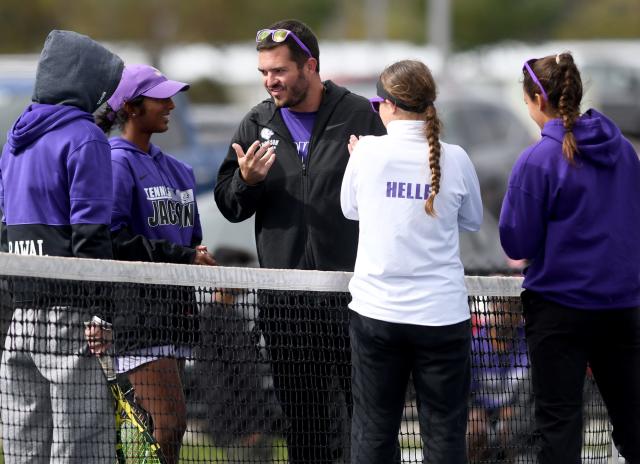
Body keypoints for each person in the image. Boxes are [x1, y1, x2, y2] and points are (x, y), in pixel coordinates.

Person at [214, 18, 386, 464]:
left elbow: (388, 195)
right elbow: (229, 204)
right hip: (286, 304)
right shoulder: (256, 122)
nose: (270, 82)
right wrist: (247, 183)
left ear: (309, 66)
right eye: (264, 73)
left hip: (354, 297)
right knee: (303, 423)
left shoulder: (358, 115)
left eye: (280, 71)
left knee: (363, 421)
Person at [499, 52, 640, 464]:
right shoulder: (626, 152)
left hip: (559, 312)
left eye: (525, 101)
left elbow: (516, 243)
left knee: (558, 430)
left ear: (537, 101)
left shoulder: (536, 160)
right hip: (622, 307)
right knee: (634, 423)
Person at [340, 59, 483, 463]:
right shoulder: (455, 158)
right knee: (445, 436)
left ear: (388, 105)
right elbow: (471, 220)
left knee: (373, 431)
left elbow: (350, 209)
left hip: (376, 317)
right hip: (442, 317)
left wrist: (359, 160)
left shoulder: (366, 152)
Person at [0, 30, 123, 463]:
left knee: (22, 450)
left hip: (21, 317)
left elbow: (3, 228)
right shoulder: (85, 137)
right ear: (86, 80)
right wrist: (101, 312)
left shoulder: (15, 140)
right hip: (70, 318)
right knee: (81, 449)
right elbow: (91, 233)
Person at [95, 64, 216, 464]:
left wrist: (196, 256)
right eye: (159, 98)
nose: (170, 105)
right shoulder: (115, 162)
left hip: (177, 315)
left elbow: (190, 238)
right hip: (138, 316)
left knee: (165, 431)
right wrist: (183, 256)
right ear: (130, 107)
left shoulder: (179, 170)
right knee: (171, 424)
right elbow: (112, 240)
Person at [467, 299, 533, 462]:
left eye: (513, 308)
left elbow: (532, 392)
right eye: (499, 306)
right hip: (483, 412)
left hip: (517, 413)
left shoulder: (529, 343)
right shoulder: (475, 345)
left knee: (515, 429)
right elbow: (465, 393)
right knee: (473, 434)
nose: (504, 313)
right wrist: (473, 411)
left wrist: (515, 410)